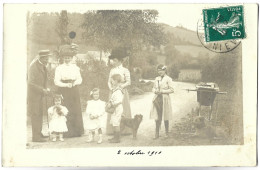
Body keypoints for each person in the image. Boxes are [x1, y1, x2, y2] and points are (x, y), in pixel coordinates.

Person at [54, 48, 84, 138]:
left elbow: (80, 79)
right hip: (64, 89)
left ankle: (77, 131)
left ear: (71, 58)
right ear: (63, 58)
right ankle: (65, 131)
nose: (67, 59)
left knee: (75, 108)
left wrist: (74, 83)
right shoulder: (59, 68)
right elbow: (56, 81)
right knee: (65, 109)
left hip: (74, 89)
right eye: (65, 58)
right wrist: (66, 85)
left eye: (69, 58)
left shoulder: (75, 67)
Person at [28, 50, 51, 142]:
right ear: (41, 58)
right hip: (34, 95)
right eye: (45, 58)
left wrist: (46, 88)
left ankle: (39, 133)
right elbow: (30, 83)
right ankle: (36, 137)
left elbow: (45, 79)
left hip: (40, 95)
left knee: (40, 113)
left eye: (47, 58)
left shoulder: (43, 66)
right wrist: (42, 90)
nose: (47, 60)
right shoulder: (33, 67)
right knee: (35, 114)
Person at [107, 48, 132, 135]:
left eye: (115, 60)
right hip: (113, 91)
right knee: (113, 109)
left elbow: (128, 82)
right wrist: (111, 88)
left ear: (120, 61)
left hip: (122, 92)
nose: (113, 62)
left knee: (122, 110)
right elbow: (109, 81)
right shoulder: (112, 70)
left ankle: (124, 130)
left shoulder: (125, 70)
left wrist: (120, 86)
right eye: (112, 60)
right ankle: (113, 130)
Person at [150, 64, 174, 139]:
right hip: (157, 98)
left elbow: (172, 90)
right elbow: (153, 88)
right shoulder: (156, 78)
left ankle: (167, 133)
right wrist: (155, 91)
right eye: (158, 70)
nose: (159, 72)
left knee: (165, 115)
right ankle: (156, 133)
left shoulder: (168, 79)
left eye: (161, 70)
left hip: (165, 98)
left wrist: (162, 91)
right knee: (157, 116)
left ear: (165, 70)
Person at [107, 74, 124, 143]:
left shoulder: (119, 91)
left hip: (117, 109)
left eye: (112, 81)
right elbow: (113, 98)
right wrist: (109, 102)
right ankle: (115, 137)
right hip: (115, 109)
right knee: (114, 122)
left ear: (116, 81)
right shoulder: (115, 90)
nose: (111, 82)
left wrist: (111, 104)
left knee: (116, 123)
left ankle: (117, 138)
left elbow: (119, 101)